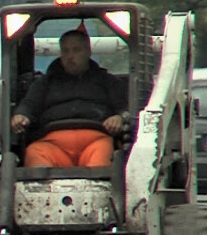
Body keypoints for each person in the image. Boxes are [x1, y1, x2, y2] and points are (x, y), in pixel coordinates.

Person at [10, 29, 127, 167]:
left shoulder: (108, 81)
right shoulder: (44, 83)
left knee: (103, 159)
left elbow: (125, 109)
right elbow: (29, 105)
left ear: (88, 52)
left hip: (97, 140)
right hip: (51, 143)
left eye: (76, 50)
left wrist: (119, 118)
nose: (70, 56)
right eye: (65, 51)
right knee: (34, 153)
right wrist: (21, 115)